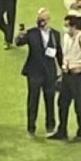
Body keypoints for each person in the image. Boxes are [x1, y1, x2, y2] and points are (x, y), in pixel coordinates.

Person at [50, 16, 81, 142]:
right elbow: (66, 55)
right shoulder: (66, 37)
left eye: (67, 25)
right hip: (67, 74)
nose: (65, 28)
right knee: (62, 102)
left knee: (79, 104)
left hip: (77, 76)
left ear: (74, 26)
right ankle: (62, 131)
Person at [15, 8, 62, 137]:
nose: (42, 22)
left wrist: (63, 69)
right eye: (40, 19)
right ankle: (31, 127)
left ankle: (50, 126)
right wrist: (20, 35)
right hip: (34, 72)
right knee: (33, 100)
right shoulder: (31, 33)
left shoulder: (55, 35)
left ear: (49, 19)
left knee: (50, 100)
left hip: (49, 73)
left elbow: (59, 54)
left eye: (45, 19)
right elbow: (19, 43)